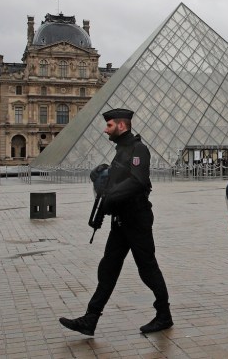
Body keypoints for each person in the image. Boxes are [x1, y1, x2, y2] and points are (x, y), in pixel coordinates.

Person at [59, 108, 172, 336]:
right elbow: (118, 179)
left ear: (122, 125)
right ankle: (90, 318)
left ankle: (164, 315)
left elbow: (138, 181)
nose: (105, 129)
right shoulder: (121, 150)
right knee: (107, 268)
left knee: (148, 269)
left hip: (137, 220)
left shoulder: (138, 149)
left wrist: (111, 195)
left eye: (109, 125)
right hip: (121, 221)